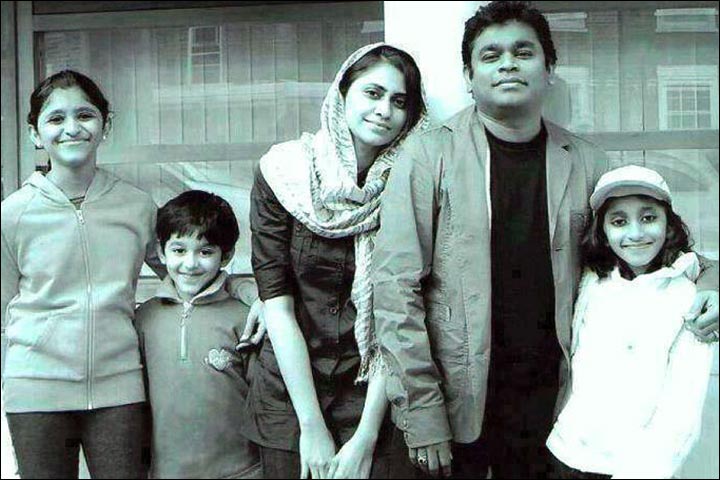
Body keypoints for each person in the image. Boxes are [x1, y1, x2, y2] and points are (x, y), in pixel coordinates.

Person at [371, 2, 719, 479]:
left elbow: (651, 250)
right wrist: (422, 411)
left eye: (523, 52)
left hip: (554, 409)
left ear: (549, 70)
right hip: (453, 404)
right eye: (490, 55)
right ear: (469, 76)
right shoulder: (428, 156)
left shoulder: (588, 162)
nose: (508, 64)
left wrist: (712, 280)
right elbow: (395, 290)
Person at [242, 43, 427, 479]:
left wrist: (365, 437)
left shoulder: (413, 180)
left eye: (399, 101)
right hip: (289, 394)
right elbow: (276, 304)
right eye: (372, 93)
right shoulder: (283, 172)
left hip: (376, 394)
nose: (384, 110)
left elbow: (400, 313)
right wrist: (311, 427)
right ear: (342, 93)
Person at [0, 70, 163, 478]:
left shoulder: (137, 206)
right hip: (35, 389)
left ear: (105, 125)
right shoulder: (12, 215)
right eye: (56, 119)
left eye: (85, 115)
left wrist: (245, 295)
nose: (71, 128)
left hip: (119, 387)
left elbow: (182, 277)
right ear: (35, 134)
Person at [547, 166, 715, 479]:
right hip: (564, 453)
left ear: (668, 224)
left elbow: (681, 411)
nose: (635, 233)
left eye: (648, 218)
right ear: (602, 231)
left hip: (630, 468)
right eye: (619, 221)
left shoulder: (688, 298)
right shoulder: (592, 281)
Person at [135, 190, 261, 479]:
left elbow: (266, 401)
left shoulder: (245, 318)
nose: (190, 264)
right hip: (166, 473)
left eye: (205, 252)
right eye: (179, 250)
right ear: (161, 252)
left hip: (242, 472)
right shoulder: (145, 318)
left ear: (226, 255)